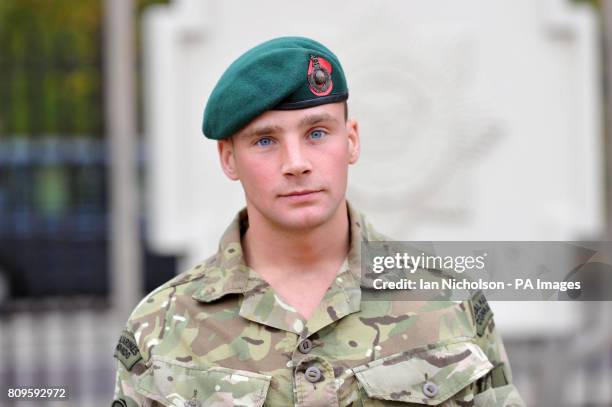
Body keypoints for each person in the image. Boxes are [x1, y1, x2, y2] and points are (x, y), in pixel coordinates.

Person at [111, 36, 525, 407]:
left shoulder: (448, 302)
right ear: (228, 158)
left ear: (351, 141)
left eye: (317, 133)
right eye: (265, 141)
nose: (296, 164)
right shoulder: (162, 326)